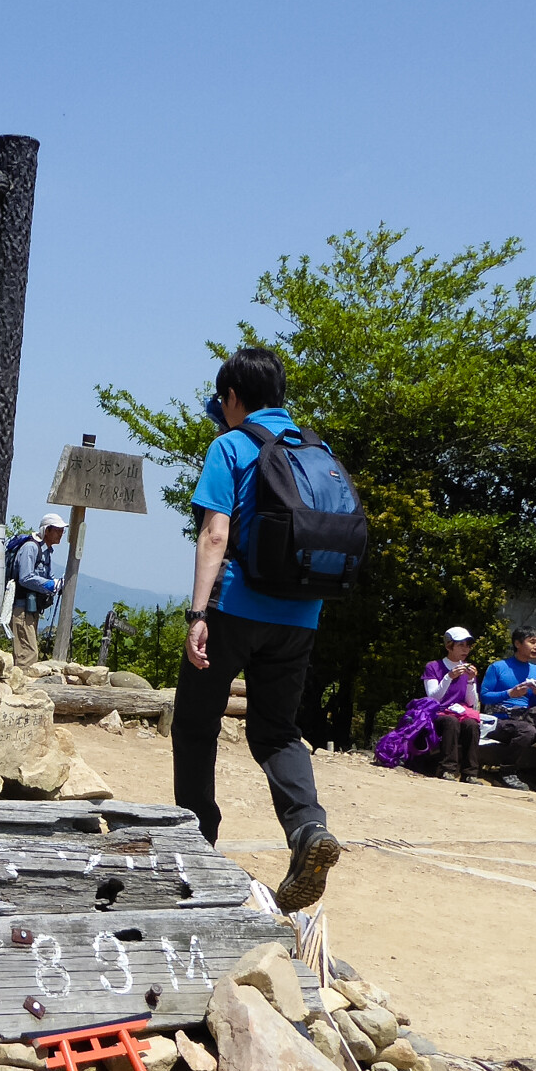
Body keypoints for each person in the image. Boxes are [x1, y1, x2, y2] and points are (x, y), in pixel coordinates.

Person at [173, 346, 340, 911]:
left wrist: (198, 614)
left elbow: (215, 534)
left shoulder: (232, 444)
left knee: (195, 724)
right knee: (276, 732)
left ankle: (195, 844)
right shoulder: (317, 451)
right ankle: (307, 829)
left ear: (234, 398)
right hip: (301, 614)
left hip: (236, 608)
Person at [480, 626, 536, 793]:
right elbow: (484, 696)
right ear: (517, 643)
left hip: (525, 717)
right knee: (527, 730)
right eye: (532, 642)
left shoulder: (535, 670)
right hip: (501, 719)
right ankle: (506, 771)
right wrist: (510, 693)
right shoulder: (498, 667)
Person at [422, 627, 484, 781]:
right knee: (451, 722)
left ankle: (470, 773)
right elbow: (434, 697)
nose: (465, 649)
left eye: (468, 645)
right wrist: (448, 677)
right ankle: (447, 769)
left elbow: (472, 703)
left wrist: (470, 681)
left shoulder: (468, 669)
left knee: (472, 725)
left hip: (461, 712)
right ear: (449, 646)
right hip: (439, 712)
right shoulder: (434, 667)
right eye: (461, 645)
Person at [8, 514, 66, 667]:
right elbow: (25, 577)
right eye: (58, 530)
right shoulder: (31, 548)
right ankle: (22, 687)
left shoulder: (45, 551)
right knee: (28, 654)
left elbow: (46, 575)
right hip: (22, 608)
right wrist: (50, 585)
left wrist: (56, 583)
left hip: (32, 608)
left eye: (62, 530)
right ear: (47, 530)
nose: (61, 534)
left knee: (28, 652)